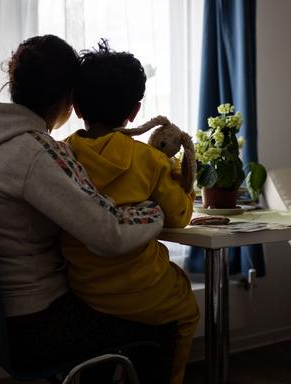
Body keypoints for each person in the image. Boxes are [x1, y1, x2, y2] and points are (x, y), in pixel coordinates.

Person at [0, 35, 175, 383]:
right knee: (160, 326)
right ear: (68, 97)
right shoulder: (34, 152)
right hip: (36, 325)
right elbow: (110, 234)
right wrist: (154, 210)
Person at [61, 40, 200, 384]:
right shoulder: (148, 159)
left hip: (83, 288)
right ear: (136, 111)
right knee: (185, 306)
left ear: (76, 106)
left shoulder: (62, 155)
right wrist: (180, 177)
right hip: (144, 290)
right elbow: (180, 216)